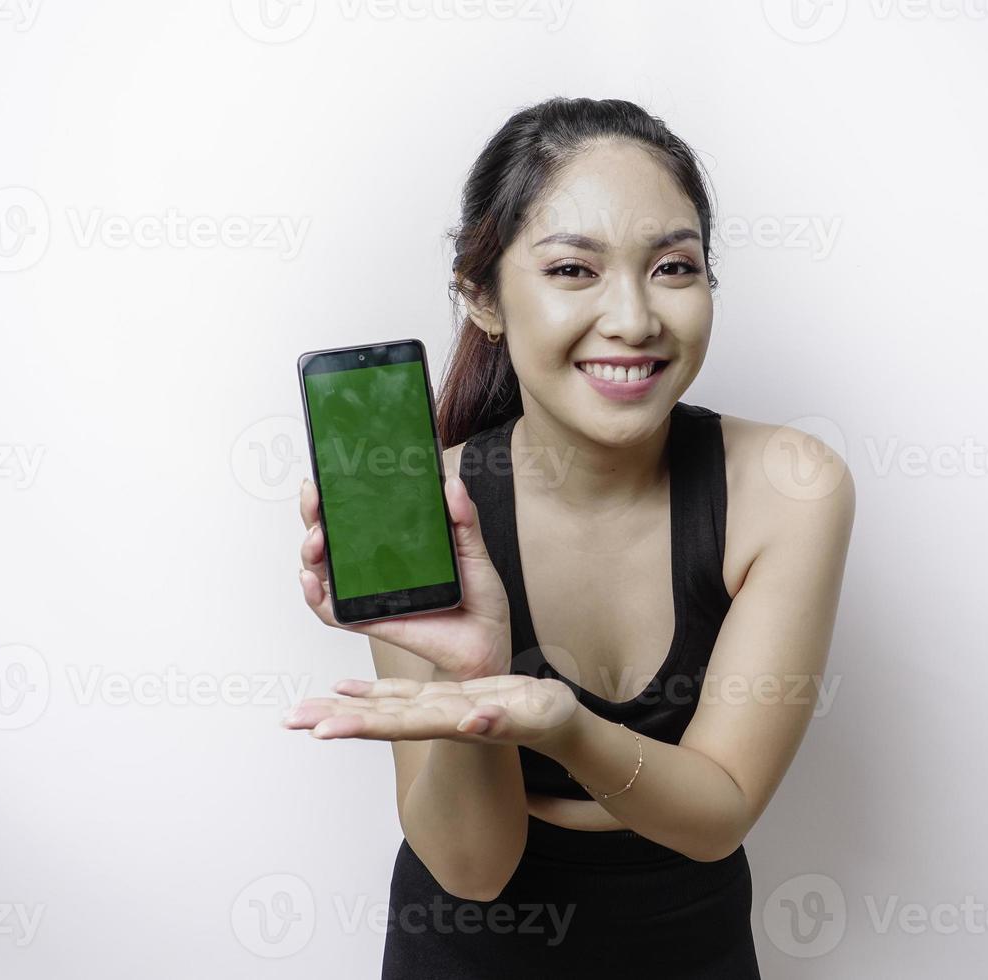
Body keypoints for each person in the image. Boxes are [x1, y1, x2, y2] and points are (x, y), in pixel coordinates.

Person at [286, 96, 855, 978]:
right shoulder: (426, 500)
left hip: (688, 940)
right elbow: (473, 869)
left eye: (672, 266)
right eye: (574, 271)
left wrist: (558, 724)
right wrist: (474, 677)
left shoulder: (789, 488)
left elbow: (720, 815)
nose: (633, 318)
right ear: (484, 297)